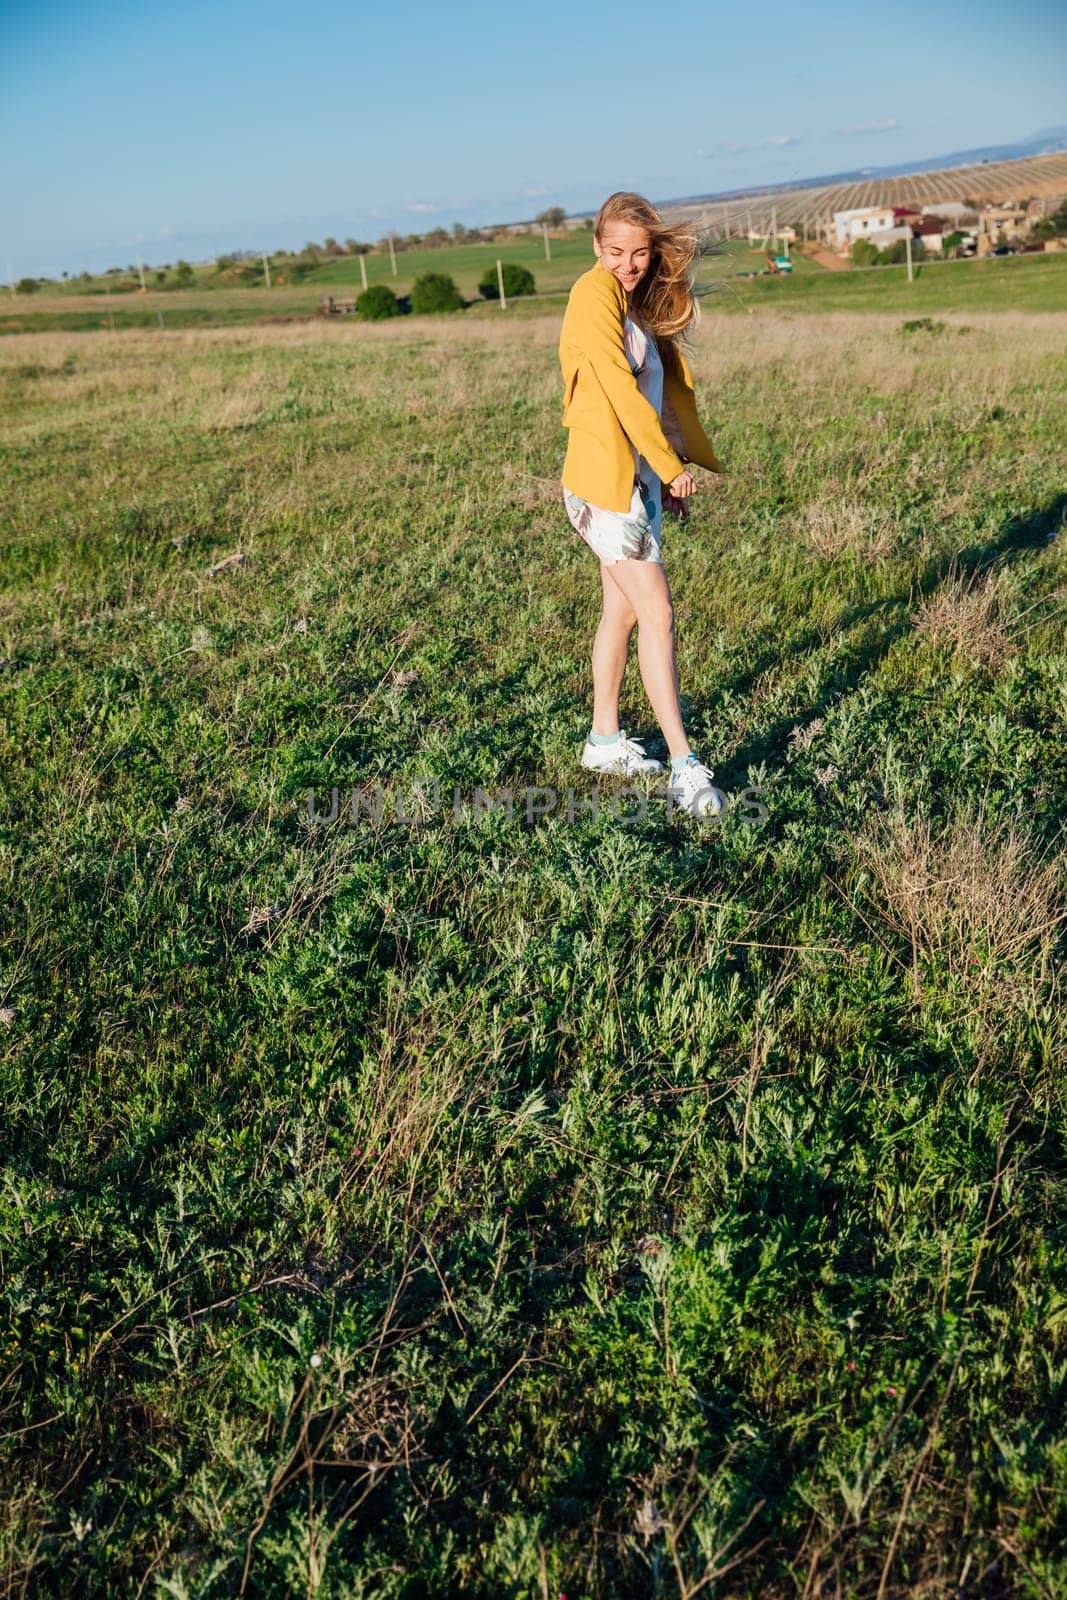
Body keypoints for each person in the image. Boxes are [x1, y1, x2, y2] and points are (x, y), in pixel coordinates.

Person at [558, 190, 726, 819]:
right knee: (658, 612)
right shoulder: (591, 296)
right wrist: (668, 465)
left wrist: (663, 478)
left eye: (641, 252)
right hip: (606, 486)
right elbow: (615, 388)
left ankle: (603, 740)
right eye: (618, 252)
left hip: (635, 484)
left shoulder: (634, 303)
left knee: (624, 612)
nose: (629, 263)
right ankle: (685, 769)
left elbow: (655, 395)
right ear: (597, 248)